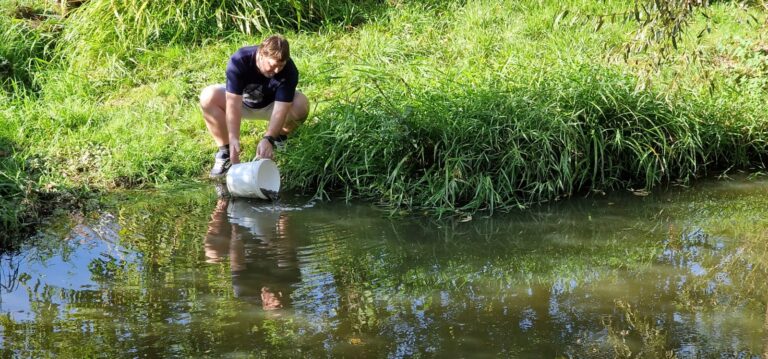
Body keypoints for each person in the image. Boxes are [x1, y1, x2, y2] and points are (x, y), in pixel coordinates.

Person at [200, 34, 310, 178]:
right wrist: (234, 140)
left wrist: (268, 138)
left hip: (271, 106)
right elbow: (233, 104)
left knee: (302, 104)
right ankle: (225, 152)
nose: (276, 71)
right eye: (272, 65)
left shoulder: (289, 70)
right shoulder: (240, 60)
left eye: (280, 66)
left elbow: (281, 110)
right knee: (208, 96)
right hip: (242, 104)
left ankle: (279, 139)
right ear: (261, 54)